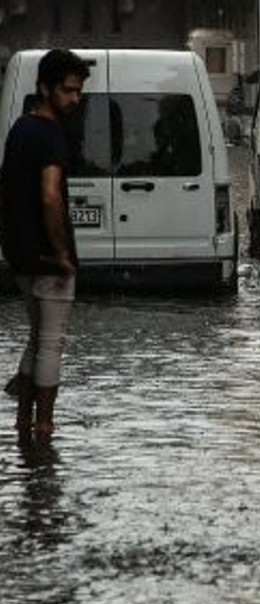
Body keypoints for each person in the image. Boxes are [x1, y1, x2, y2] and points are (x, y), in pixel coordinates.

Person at [1, 49, 90, 442]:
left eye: (78, 91)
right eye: (69, 91)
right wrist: (60, 254)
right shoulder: (53, 135)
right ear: (45, 88)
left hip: (19, 255)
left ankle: (23, 420)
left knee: (37, 337)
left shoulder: (19, 128)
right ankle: (44, 426)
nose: (76, 99)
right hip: (46, 259)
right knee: (51, 343)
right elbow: (51, 197)